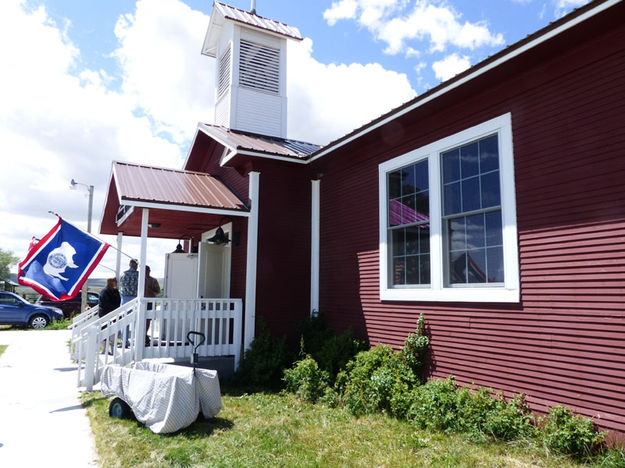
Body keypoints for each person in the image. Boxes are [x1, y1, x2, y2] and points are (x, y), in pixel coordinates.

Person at [144, 266, 161, 346]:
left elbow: (158, 291)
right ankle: (142, 335)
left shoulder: (153, 280)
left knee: (148, 320)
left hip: (150, 302)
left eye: (147, 270)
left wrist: (150, 290)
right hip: (142, 303)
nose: (146, 272)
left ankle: (145, 335)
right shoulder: (139, 279)